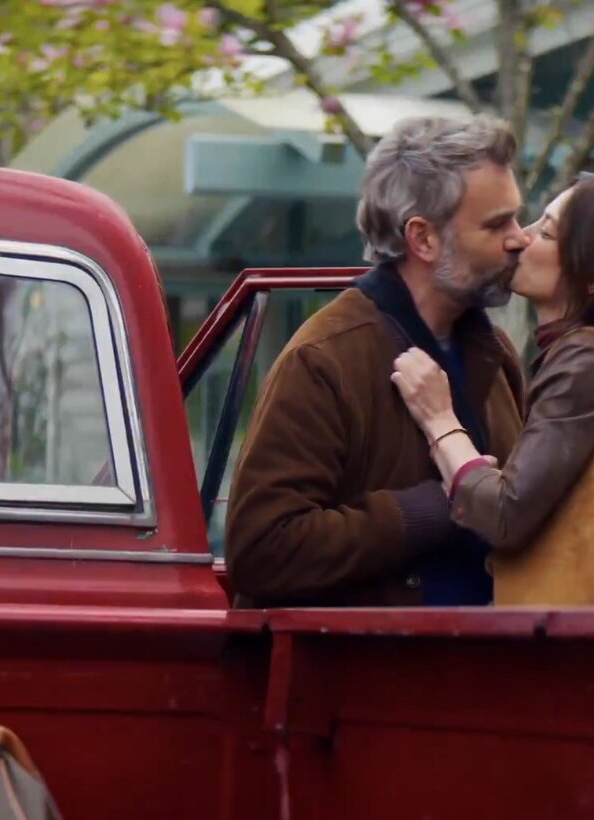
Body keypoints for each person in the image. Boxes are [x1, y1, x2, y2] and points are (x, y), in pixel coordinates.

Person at [224, 115, 533, 608]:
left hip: (487, 653)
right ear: (423, 239)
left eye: (517, 218)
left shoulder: (496, 355)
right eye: (497, 223)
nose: (520, 238)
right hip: (368, 659)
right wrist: (437, 506)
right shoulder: (324, 359)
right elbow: (263, 550)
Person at [391, 172, 594, 554]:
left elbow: (505, 515)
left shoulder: (589, 362)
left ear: (592, 278)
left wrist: (440, 420)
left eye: (545, 233)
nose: (520, 237)